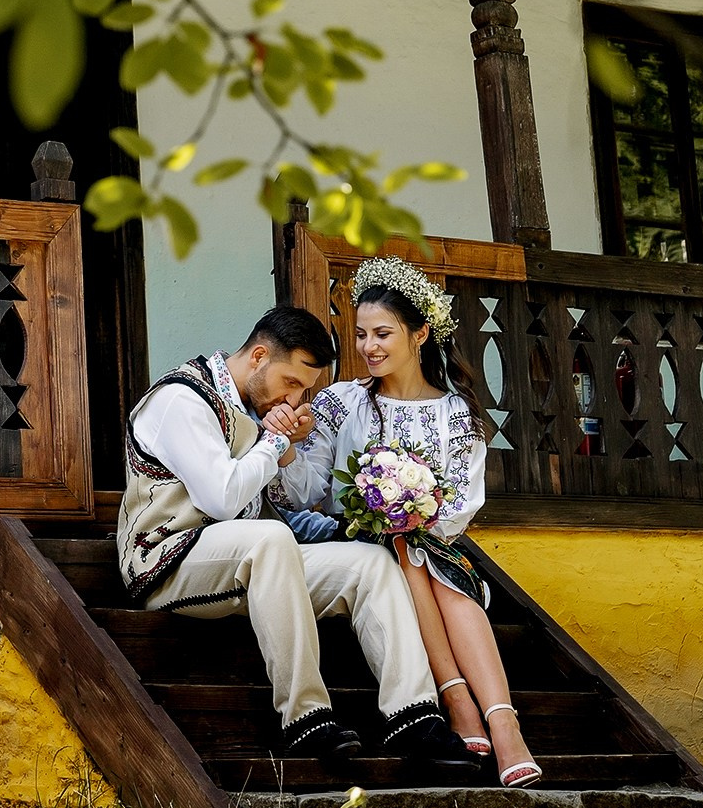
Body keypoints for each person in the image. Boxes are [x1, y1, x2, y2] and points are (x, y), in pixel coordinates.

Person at [117, 305, 473, 767]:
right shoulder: (181, 399)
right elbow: (223, 500)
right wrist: (272, 441)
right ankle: (305, 718)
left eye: (304, 389)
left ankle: (414, 718)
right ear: (259, 356)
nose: (295, 398)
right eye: (291, 383)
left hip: (253, 563)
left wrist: (293, 459)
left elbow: (288, 502)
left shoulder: (250, 410)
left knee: (369, 563)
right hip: (167, 562)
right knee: (268, 539)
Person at [277, 257, 543, 788]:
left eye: (382, 333)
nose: (369, 347)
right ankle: (477, 709)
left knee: (422, 557)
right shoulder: (339, 403)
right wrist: (291, 446)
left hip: (432, 546)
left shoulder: (456, 413)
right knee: (405, 555)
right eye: (360, 335)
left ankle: (489, 715)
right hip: (361, 547)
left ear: (420, 333)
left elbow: (463, 500)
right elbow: (300, 493)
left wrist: (412, 517)